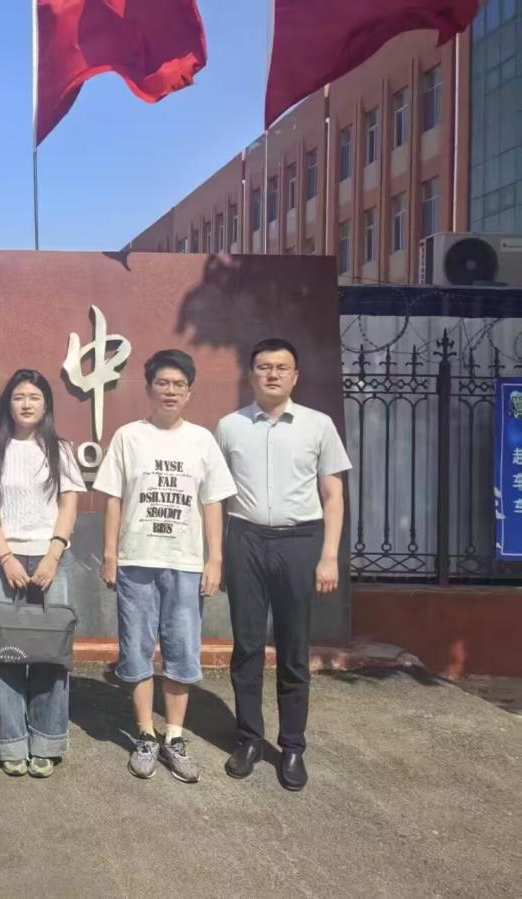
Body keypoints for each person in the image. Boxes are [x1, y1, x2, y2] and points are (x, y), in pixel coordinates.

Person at [215, 338, 350, 792]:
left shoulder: (318, 425)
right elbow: (214, 496)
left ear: (295, 376)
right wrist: (215, 555)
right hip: (245, 539)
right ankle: (249, 739)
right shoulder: (229, 427)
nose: (272, 374)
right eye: (263, 367)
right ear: (251, 374)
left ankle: (292, 746)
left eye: (281, 367)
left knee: (294, 647)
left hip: (300, 541)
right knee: (247, 646)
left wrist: (329, 556)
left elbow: (333, 496)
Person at [96, 349, 235, 784]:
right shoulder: (128, 437)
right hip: (137, 560)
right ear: (149, 388)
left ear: (189, 392)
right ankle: (144, 734)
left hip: (184, 563)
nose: (170, 391)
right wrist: (111, 553)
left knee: (182, 651)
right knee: (136, 650)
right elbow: (113, 498)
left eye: (179, 385)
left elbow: (212, 503)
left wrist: (215, 558)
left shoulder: (202, 441)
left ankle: (174, 736)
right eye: (163, 383)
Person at [0, 369, 85, 778]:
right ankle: (12, 741)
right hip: (5, 562)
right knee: (7, 653)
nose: (26, 404)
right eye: (19, 396)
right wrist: (6, 557)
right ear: (8, 404)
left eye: (34, 397)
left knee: (51, 653)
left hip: (51, 560)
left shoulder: (60, 450)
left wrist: (54, 554)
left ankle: (48, 740)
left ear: (46, 405)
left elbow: (69, 504)